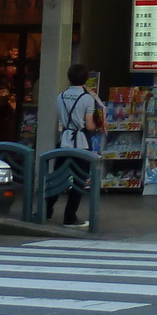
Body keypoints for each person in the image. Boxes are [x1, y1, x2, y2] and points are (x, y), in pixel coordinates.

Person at [46, 63, 103, 228]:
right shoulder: (87, 99)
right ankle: (70, 216)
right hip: (81, 143)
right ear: (85, 79)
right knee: (79, 179)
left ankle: (46, 210)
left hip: (64, 140)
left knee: (57, 177)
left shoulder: (61, 96)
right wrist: (99, 126)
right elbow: (89, 125)